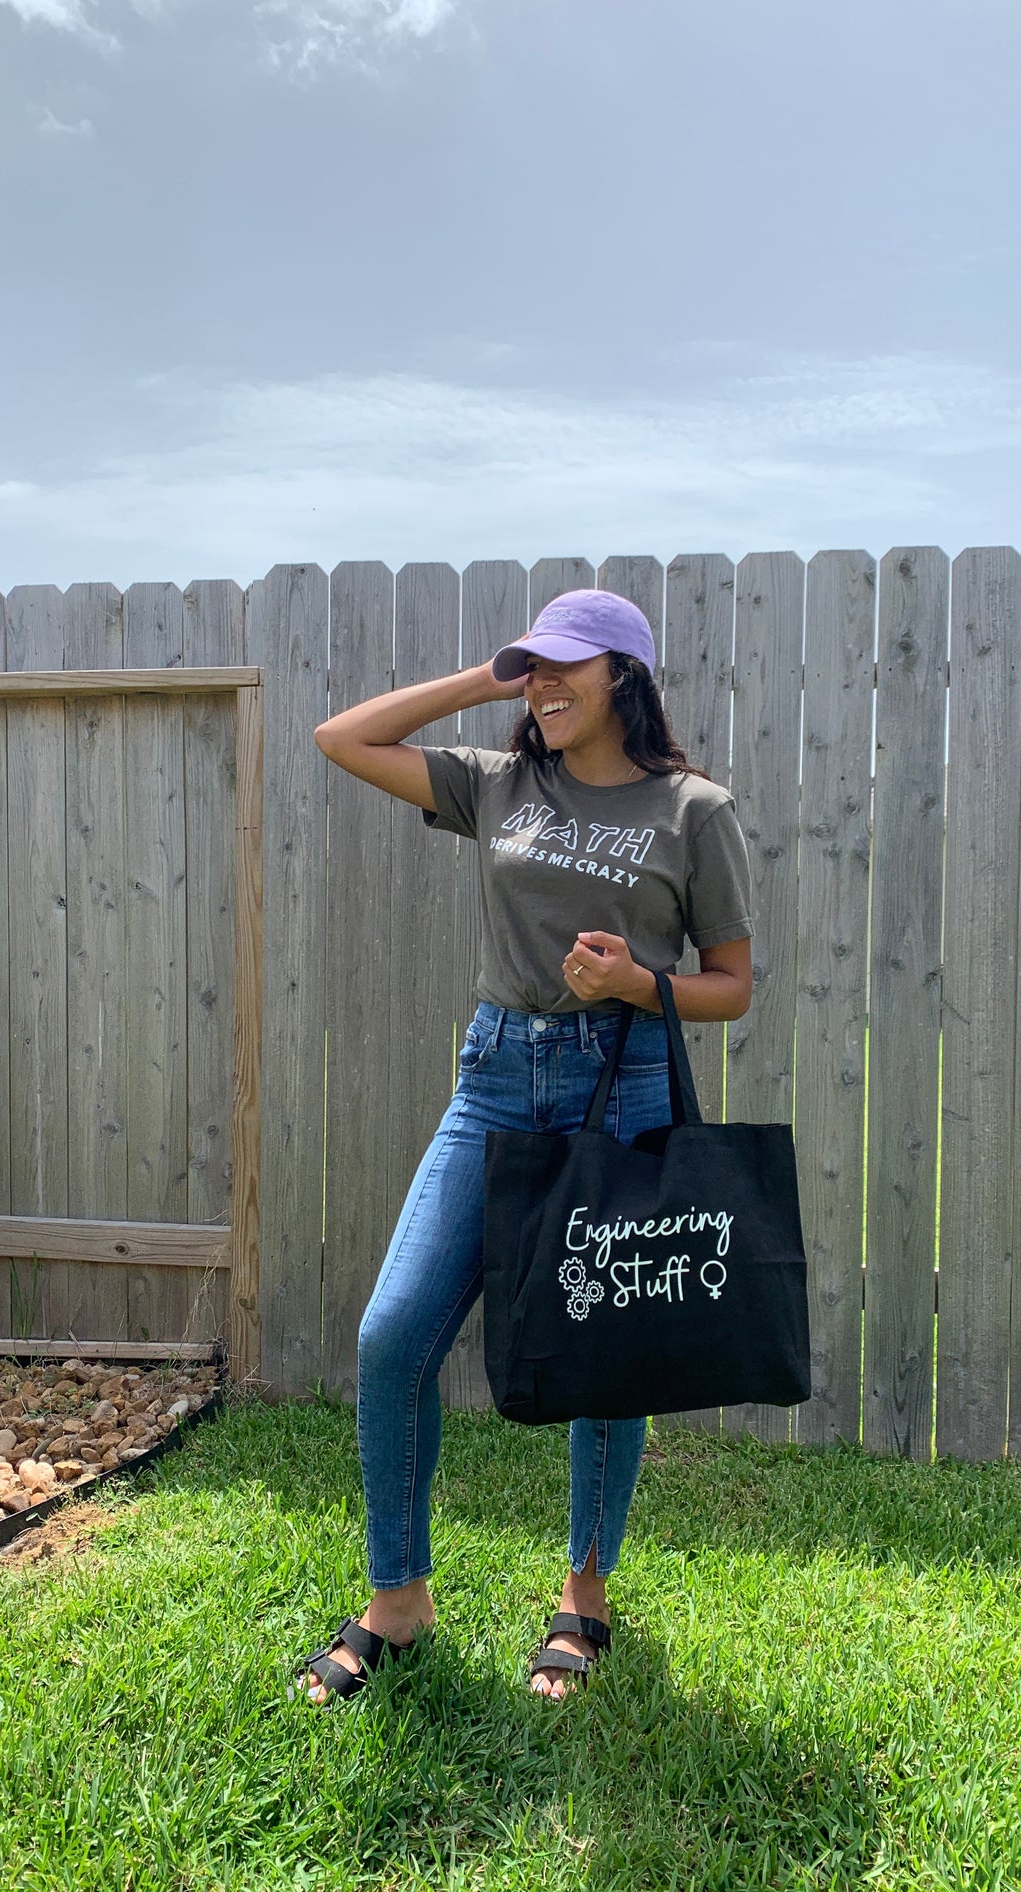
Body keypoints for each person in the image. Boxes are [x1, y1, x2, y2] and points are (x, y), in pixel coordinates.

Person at [298, 587, 754, 1703]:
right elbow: (341, 738)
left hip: (622, 1078)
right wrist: (485, 677)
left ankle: (584, 1591)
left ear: (625, 679)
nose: (544, 687)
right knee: (393, 1332)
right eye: (532, 669)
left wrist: (636, 982)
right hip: (497, 1075)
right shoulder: (500, 784)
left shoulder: (691, 809)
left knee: (605, 1352)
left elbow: (732, 985)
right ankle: (397, 1600)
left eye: (566, 668)